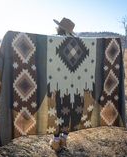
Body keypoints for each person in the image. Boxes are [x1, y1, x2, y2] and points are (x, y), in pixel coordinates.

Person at [49, 17, 76, 152]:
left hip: (56, 82)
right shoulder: (76, 44)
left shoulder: (53, 40)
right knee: (67, 111)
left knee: (56, 111)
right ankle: (64, 138)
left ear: (59, 28)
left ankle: (56, 141)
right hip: (72, 84)